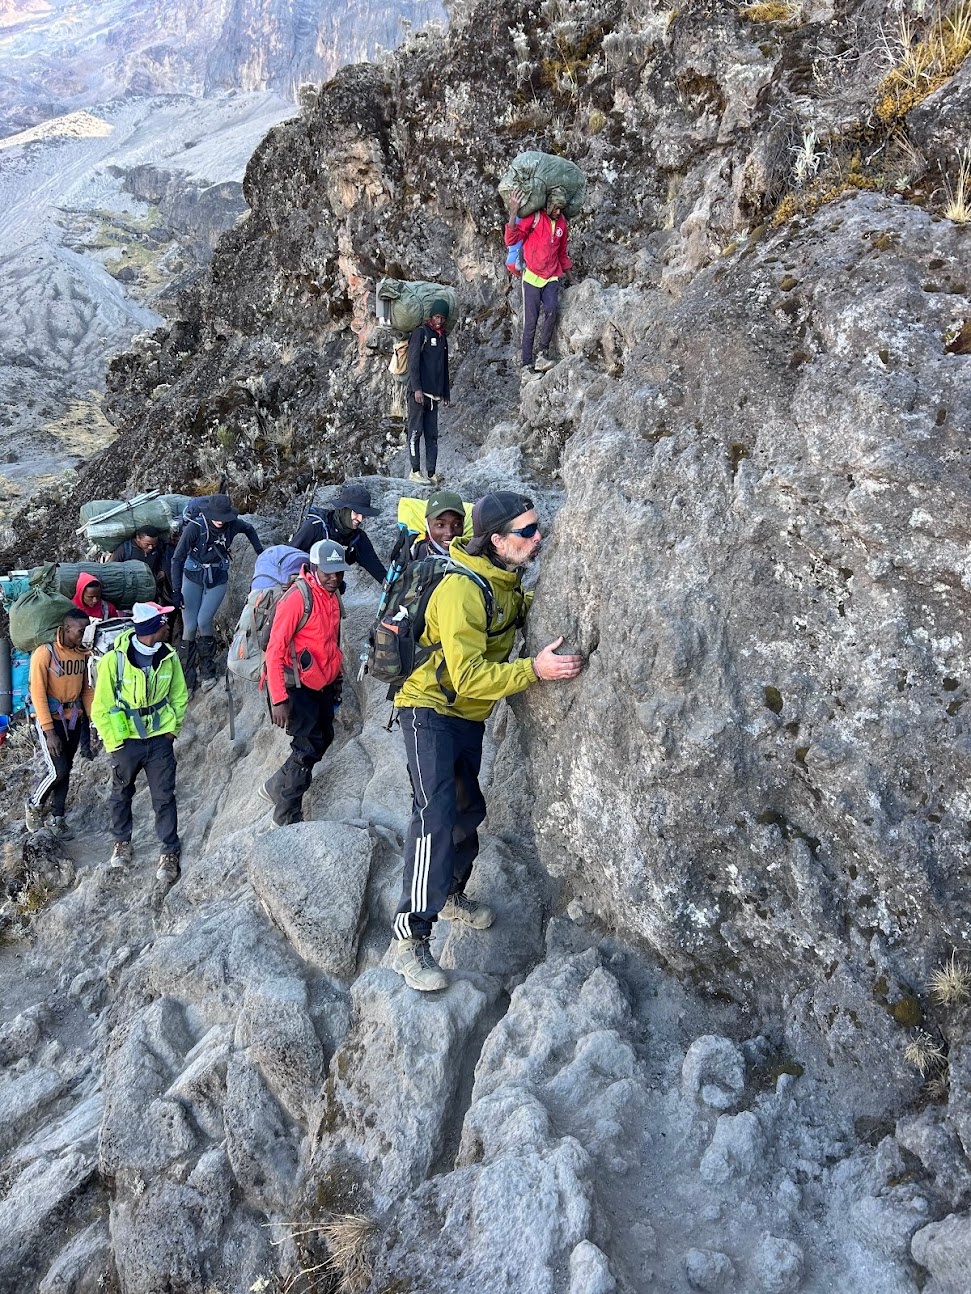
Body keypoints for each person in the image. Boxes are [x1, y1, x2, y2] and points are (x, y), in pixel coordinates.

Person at [390, 491, 584, 991]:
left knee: (467, 813)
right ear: (496, 540)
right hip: (427, 709)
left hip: (465, 717)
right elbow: (471, 676)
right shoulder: (461, 590)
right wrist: (535, 671)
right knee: (433, 818)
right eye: (527, 532)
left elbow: (514, 615)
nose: (538, 538)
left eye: (537, 527)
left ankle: (450, 893)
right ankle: (410, 938)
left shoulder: (505, 578)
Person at [91, 601, 188, 885]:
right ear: (152, 628)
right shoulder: (114, 661)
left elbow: (179, 696)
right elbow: (101, 707)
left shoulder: (168, 657)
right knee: (121, 793)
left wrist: (172, 731)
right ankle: (122, 842)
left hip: (159, 740)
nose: (168, 627)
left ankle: (169, 850)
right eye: (163, 623)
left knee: (164, 796)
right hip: (126, 741)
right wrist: (115, 744)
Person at [259, 539, 347, 827]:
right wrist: (279, 699)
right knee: (307, 747)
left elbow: (331, 642)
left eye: (339, 572)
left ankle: (275, 787)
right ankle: (286, 816)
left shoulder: (332, 595)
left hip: (321, 682)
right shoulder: (298, 598)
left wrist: (337, 679)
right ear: (313, 568)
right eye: (328, 572)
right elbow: (274, 650)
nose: (334, 578)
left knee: (324, 738)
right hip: (296, 685)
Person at [170, 494, 263, 688]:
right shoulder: (195, 528)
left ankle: (207, 672)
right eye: (216, 516)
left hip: (217, 576)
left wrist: (260, 551)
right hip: (192, 576)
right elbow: (177, 559)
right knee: (189, 627)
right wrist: (176, 590)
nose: (220, 520)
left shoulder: (233, 524)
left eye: (224, 516)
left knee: (204, 621)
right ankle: (187, 678)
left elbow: (249, 529)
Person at [24, 608, 94, 837]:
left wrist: (93, 720)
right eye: (79, 631)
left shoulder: (82, 655)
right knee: (58, 770)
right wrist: (48, 731)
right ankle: (34, 805)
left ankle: (58, 817)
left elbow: (86, 690)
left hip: (73, 720)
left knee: (67, 769)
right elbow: (38, 694)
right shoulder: (45, 654)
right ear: (65, 629)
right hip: (50, 722)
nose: (82, 636)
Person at [504, 184, 572, 373]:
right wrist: (514, 210)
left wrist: (572, 279)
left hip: (551, 275)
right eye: (555, 208)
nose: (558, 212)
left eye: (561, 209)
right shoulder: (534, 219)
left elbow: (562, 253)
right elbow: (511, 239)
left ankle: (542, 354)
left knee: (551, 311)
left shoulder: (561, 225)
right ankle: (526, 365)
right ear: (548, 206)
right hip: (532, 277)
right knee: (531, 322)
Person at [290, 483, 385, 586]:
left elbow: (378, 571)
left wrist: (394, 588)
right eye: (356, 513)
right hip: (303, 586)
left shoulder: (358, 539)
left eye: (364, 515)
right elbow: (288, 557)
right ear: (344, 509)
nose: (360, 519)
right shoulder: (315, 526)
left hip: (331, 589)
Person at [407, 299, 451, 484]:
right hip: (419, 394)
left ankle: (431, 473)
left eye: (442, 317)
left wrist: (446, 393)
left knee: (432, 436)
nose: (439, 320)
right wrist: (417, 389)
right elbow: (413, 362)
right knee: (415, 433)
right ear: (431, 316)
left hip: (434, 396)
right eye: (436, 316)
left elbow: (444, 367)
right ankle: (415, 471)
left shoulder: (442, 338)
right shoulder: (421, 333)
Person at [109, 526, 175, 602]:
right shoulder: (125, 549)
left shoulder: (159, 547)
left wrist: (162, 571)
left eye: (154, 544)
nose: (151, 547)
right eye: (147, 544)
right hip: (131, 591)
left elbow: (164, 558)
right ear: (138, 538)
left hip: (151, 589)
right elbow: (112, 569)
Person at [409, 490, 465, 560]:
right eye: (440, 525)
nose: (450, 533)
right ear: (427, 524)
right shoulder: (413, 554)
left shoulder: (474, 556)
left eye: (457, 524)